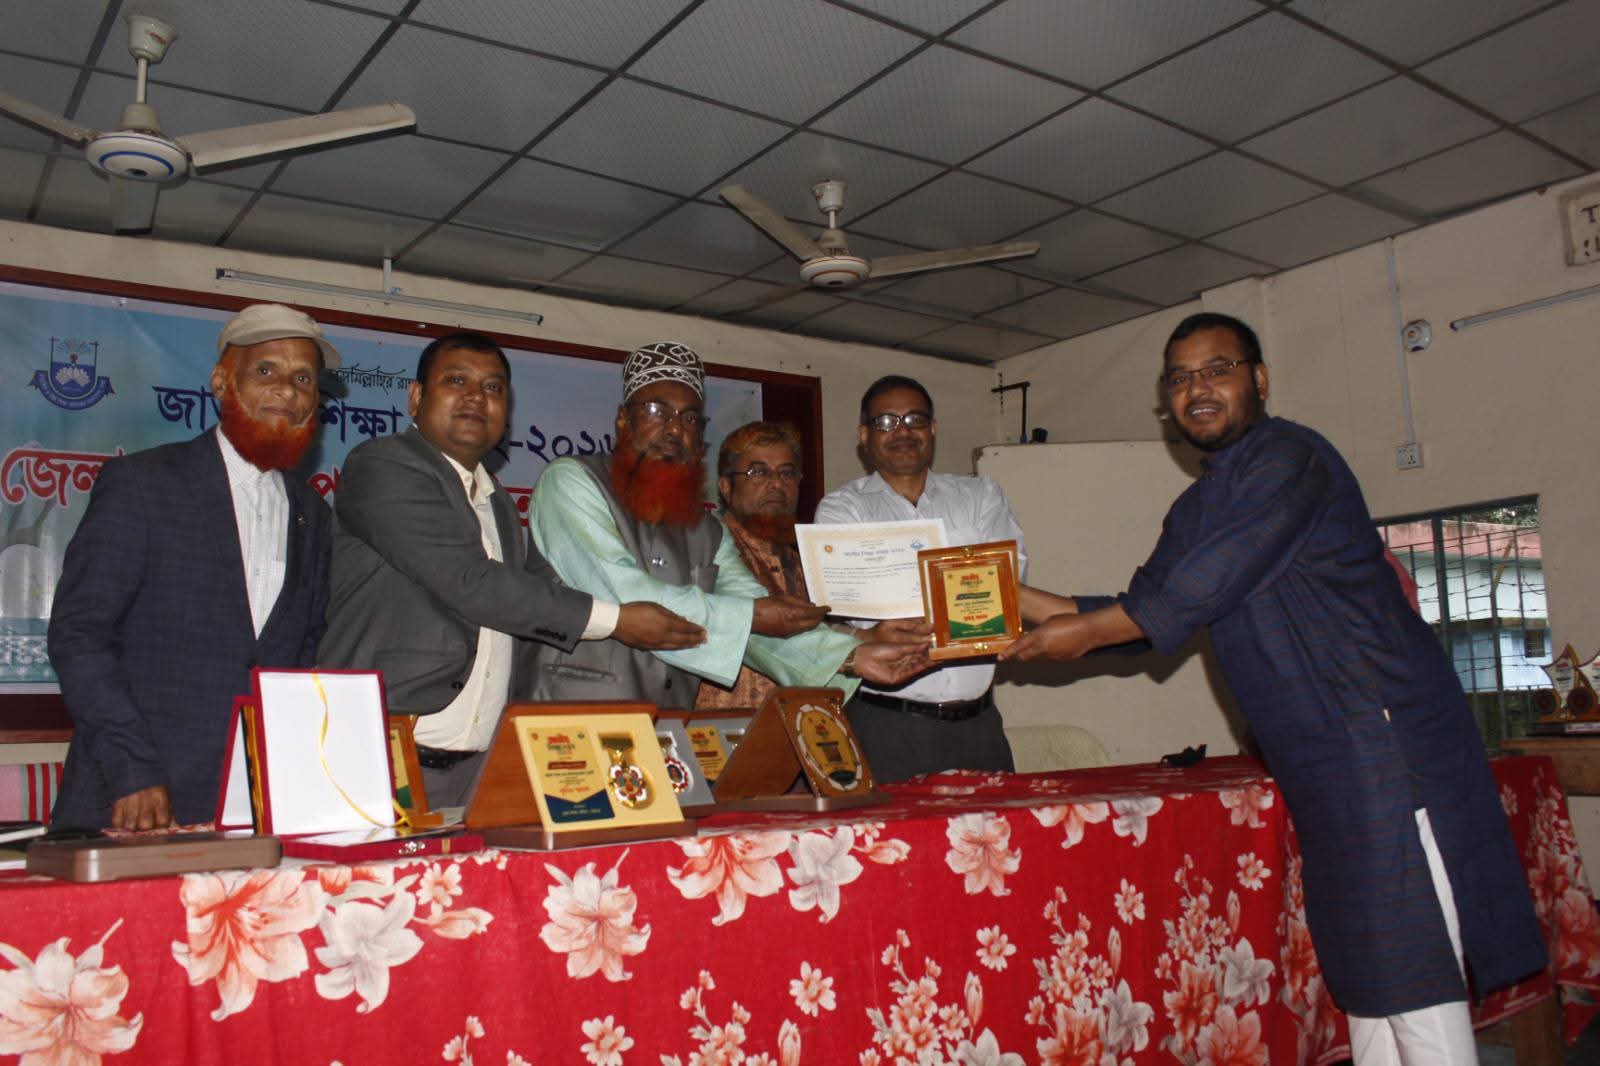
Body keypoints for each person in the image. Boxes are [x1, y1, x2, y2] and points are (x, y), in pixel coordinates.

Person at [1001, 312, 1545, 1065]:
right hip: (1321, 758)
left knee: (1412, 961)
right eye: (1180, 378)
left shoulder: (1289, 457)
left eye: (1216, 369)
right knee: (1368, 970)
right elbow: (1132, 610)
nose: (1198, 389)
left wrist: (1084, 634)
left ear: (1258, 379)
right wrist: (997, 595)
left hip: (1382, 740)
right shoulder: (1199, 507)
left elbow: (1188, 594)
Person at [317, 332, 704, 806]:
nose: (476, 397)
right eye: (456, 381)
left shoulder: (497, 500)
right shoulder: (383, 464)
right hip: (384, 747)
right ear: (416, 397)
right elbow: (470, 582)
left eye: (493, 388)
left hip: (477, 764)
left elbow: (512, 616)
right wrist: (617, 620)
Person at [49, 303, 339, 829]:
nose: (286, 390)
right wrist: (131, 768)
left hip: (251, 809)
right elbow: (80, 635)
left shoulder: (314, 516)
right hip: (131, 799)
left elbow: (300, 657)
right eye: (265, 370)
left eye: (303, 378)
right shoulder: (143, 484)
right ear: (222, 382)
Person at [527, 341, 927, 707]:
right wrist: (753, 615)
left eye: (689, 418)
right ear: (622, 420)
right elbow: (623, 591)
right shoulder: (571, 481)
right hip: (571, 715)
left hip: (666, 725)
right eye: (656, 412)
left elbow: (754, 625)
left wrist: (853, 657)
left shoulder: (705, 529)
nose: (674, 428)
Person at [813, 375, 1026, 782]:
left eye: (915, 419)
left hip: (979, 725)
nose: (903, 431)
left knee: (1001, 823)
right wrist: (962, 594)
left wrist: (906, 596)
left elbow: (1005, 585)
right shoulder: (841, 510)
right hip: (886, 726)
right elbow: (858, 613)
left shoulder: (980, 496)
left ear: (933, 429)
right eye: (886, 422)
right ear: (864, 435)